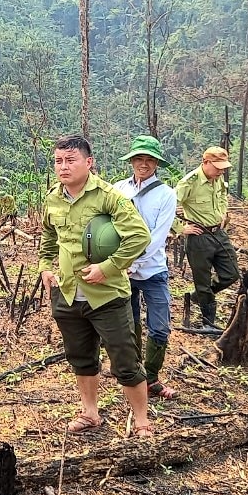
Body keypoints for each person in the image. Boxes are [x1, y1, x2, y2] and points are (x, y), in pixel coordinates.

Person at [38, 134, 154, 437]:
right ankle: (90, 413)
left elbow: (139, 236)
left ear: (88, 162)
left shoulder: (108, 197)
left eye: (70, 160)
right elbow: (49, 237)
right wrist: (45, 267)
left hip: (106, 296)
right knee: (80, 356)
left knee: (125, 360)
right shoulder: (53, 197)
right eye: (58, 161)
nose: (63, 167)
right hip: (66, 294)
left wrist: (108, 267)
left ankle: (141, 422)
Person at [113, 135, 178, 399]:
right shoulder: (118, 189)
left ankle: (151, 376)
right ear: (131, 161)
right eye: (139, 158)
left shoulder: (166, 194)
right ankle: (135, 374)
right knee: (130, 324)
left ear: (156, 163)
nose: (143, 164)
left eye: (149, 159)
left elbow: (157, 237)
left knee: (159, 326)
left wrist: (133, 262)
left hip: (152, 271)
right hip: (122, 272)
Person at [175, 146, 240, 330]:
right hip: (199, 237)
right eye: (218, 166)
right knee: (202, 280)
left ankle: (199, 296)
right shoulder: (189, 182)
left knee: (232, 273)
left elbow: (222, 198)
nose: (221, 171)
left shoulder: (217, 179)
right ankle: (208, 323)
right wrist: (181, 228)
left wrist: (222, 215)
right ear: (205, 163)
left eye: (223, 167)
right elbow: (167, 205)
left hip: (218, 233)